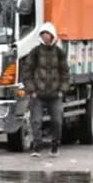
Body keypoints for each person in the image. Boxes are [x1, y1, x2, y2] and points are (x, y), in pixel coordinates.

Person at [24, 22, 70, 158]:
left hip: (55, 94)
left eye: (47, 35)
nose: (45, 38)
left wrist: (62, 90)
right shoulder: (35, 52)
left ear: (52, 36)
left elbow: (65, 73)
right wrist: (31, 90)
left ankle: (55, 145)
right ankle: (37, 147)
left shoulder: (59, 53)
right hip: (37, 94)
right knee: (36, 121)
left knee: (57, 121)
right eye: (43, 35)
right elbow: (27, 72)